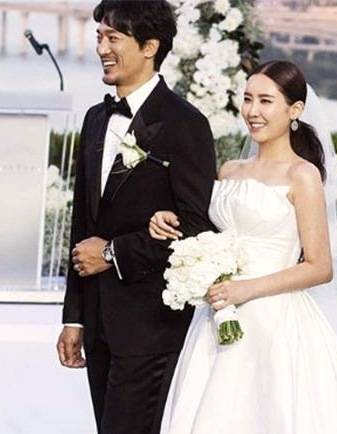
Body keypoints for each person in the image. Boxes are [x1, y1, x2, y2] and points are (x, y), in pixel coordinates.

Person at [149, 60, 337, 434]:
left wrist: (247, 289)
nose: (252, 111)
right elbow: (208, 235)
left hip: (275, 322)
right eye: (248, 99)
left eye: (266, 101)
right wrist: (167, 222)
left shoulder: (302, 175)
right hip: (216, 317)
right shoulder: (229, 170)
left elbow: (320, 266)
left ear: (295, 110)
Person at [56, 1, 217, 433]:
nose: (101, 49)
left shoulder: (186, 124)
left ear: (150, 46)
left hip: (150, 325)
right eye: (99, 38)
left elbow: (197, 229)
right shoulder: (95, 119)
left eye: (113, 38)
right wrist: (74, 318)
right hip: (97, 323)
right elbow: (82, 224)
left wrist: (113, 252)